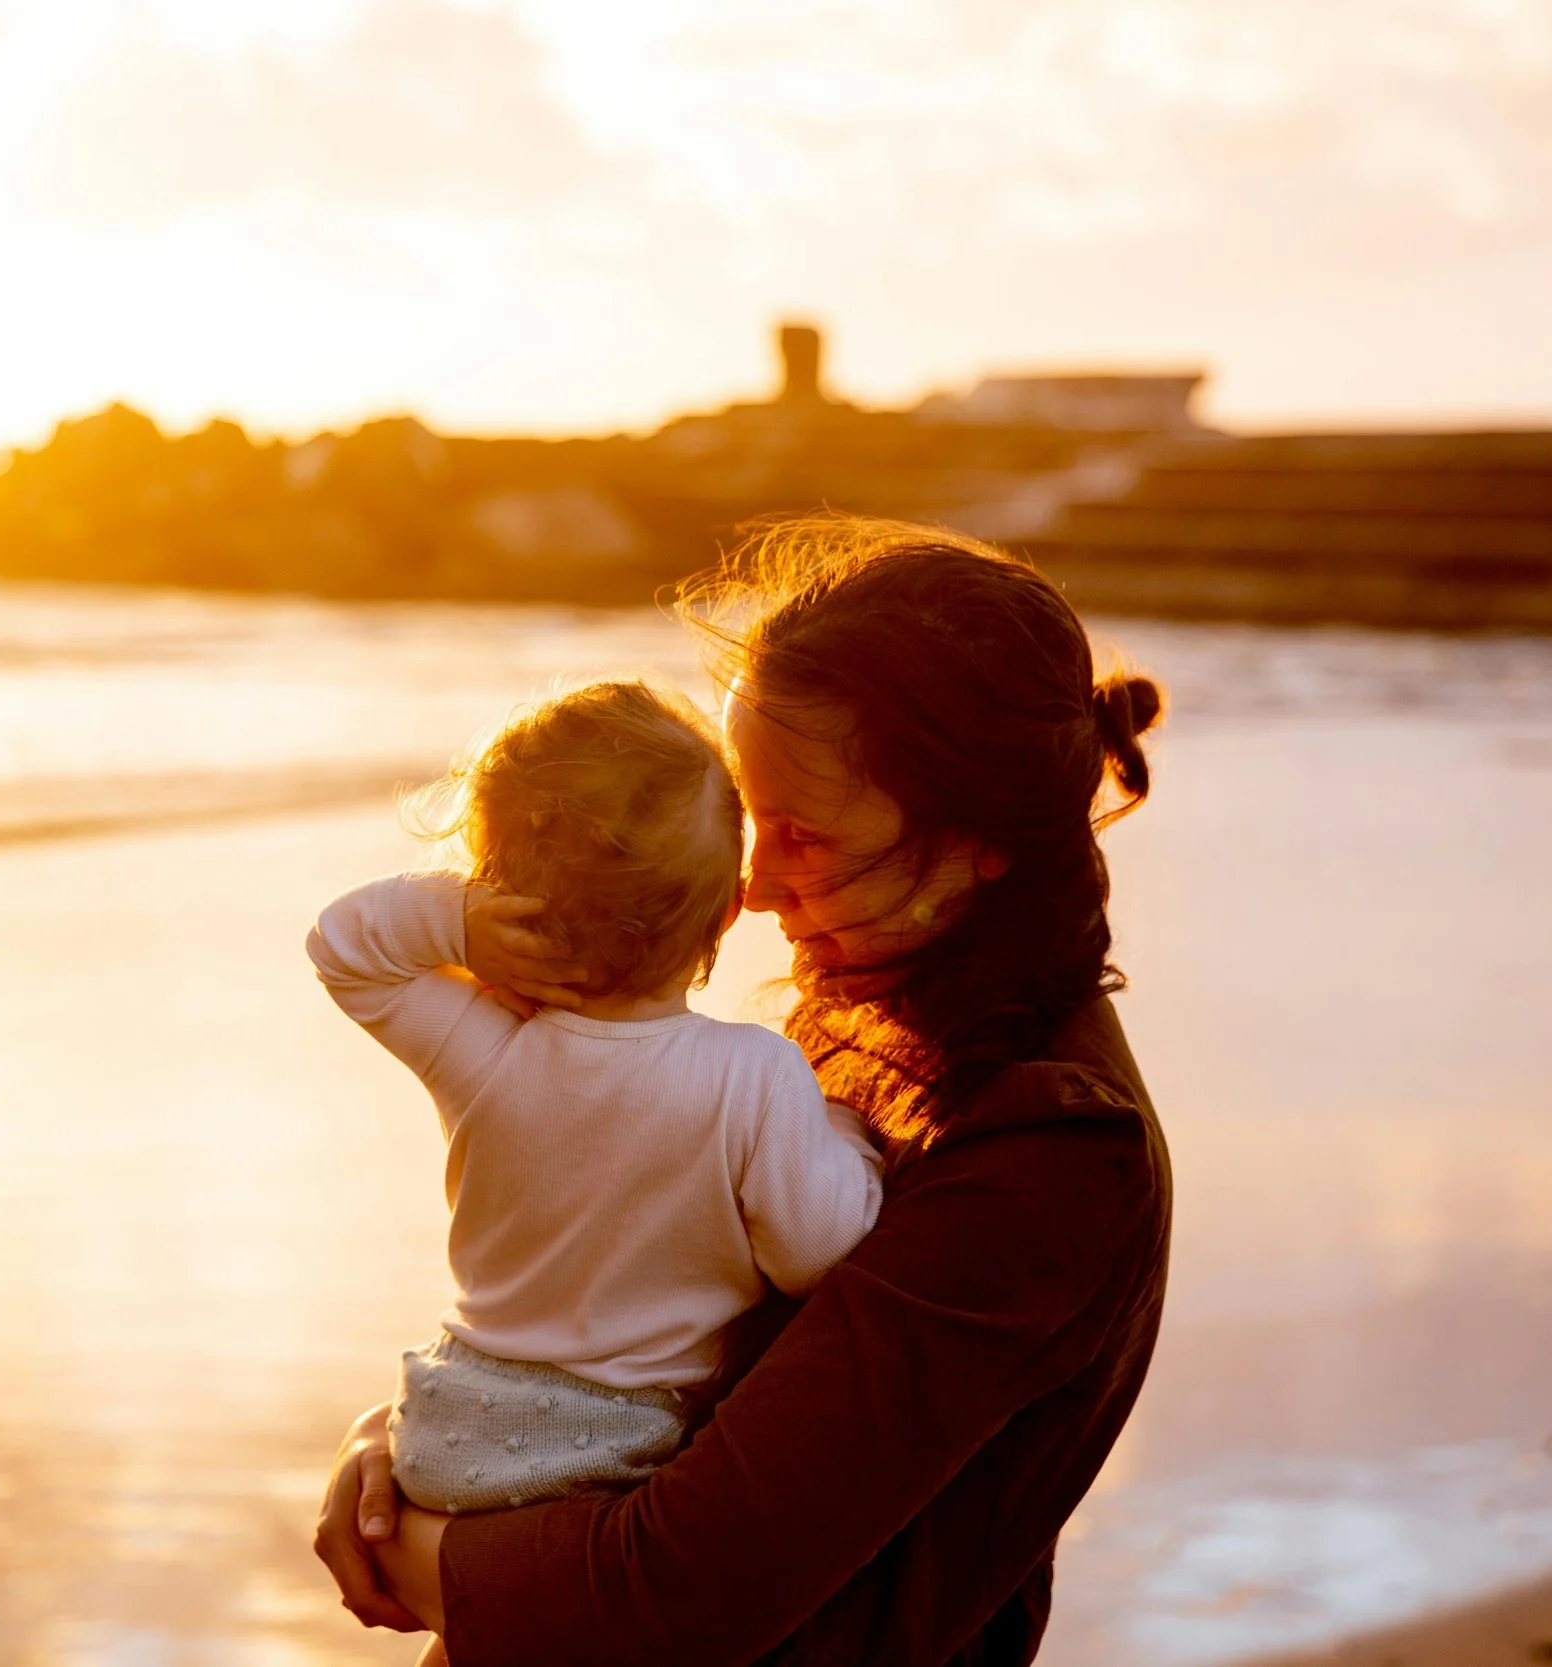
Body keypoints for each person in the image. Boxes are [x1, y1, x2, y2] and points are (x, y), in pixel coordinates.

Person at [313, 515, 1172, 1665]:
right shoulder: (866, 1026)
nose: (754, 885)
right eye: (748, 818)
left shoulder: (1050, 1149)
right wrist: (420, 1439)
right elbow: (662, 1343)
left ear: (981, 843)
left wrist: (421, 1550)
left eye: (804, 835)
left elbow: (676, 1591)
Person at [304, 681, 887, 1629]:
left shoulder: (487, 1048)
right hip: (612, 1451)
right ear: (726, 913)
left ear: (504, 885)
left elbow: (345, 947)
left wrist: (459, 925)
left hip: (449, 1429)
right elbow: (820, 1249)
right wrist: (848, 1136)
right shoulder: (757, 1078)